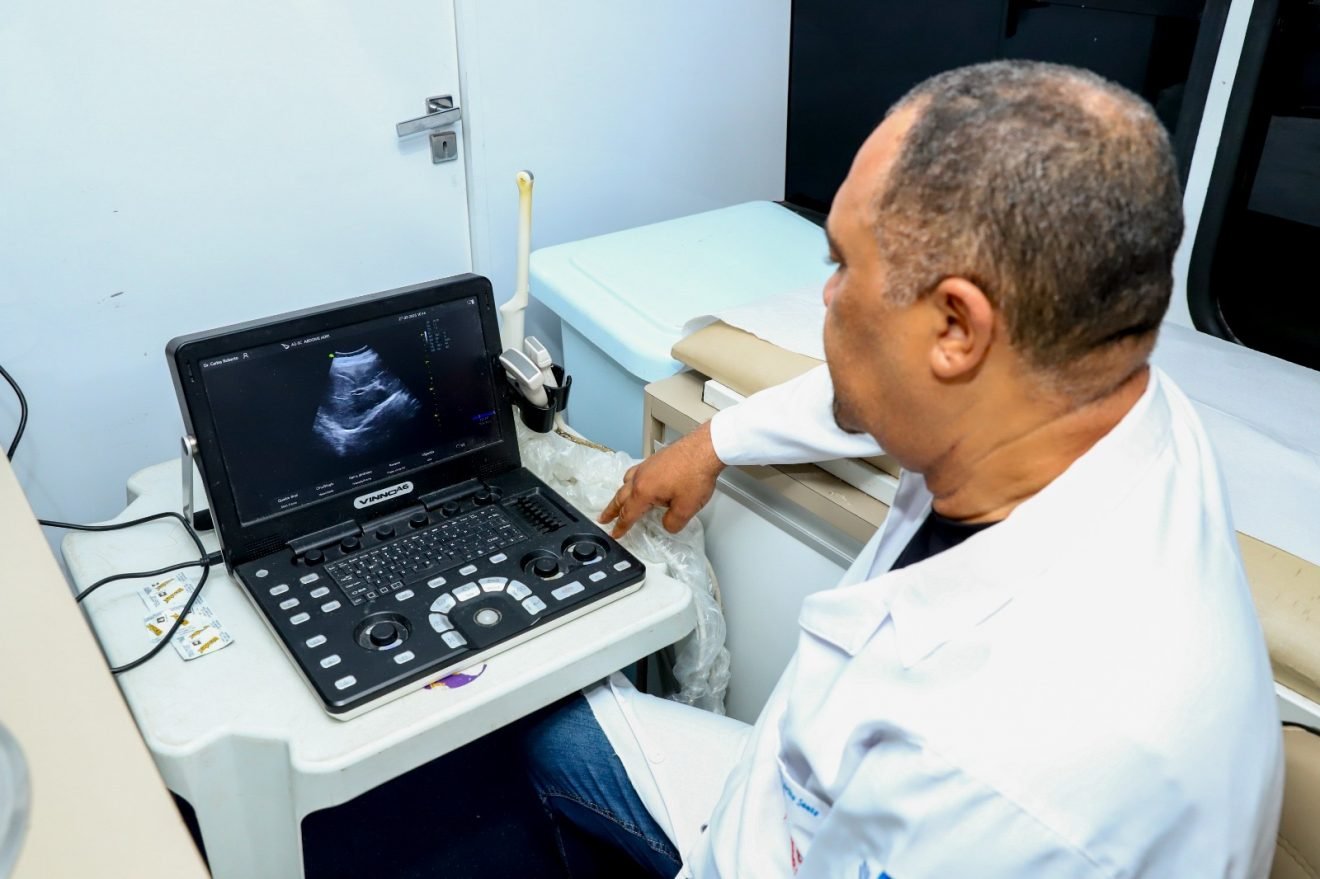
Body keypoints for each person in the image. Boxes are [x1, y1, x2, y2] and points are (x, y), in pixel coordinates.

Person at [523, 60, 1284, 878]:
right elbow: (859, 392)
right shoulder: (1095, 390)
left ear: (956, 329)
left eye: (843, 265)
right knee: (554, 734)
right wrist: (711, 442)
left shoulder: (1003, 777)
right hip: (784, 803)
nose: (826, 297)